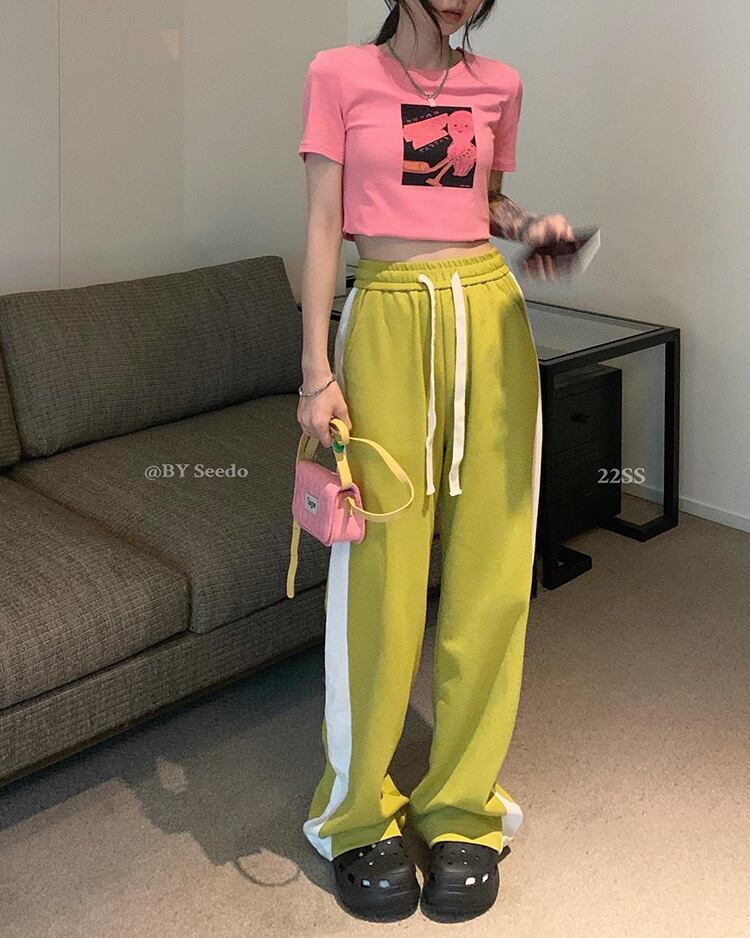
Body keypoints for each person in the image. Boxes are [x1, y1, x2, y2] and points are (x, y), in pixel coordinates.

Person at [296, 0, 574, 921]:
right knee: (378, 574)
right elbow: (324, 221)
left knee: (494, 571)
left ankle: (462, 807)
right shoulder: (339, 73)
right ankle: (356, 812)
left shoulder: (500, 85)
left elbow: (478, 199)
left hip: (490, 319)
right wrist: (315, 370)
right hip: (386, 318)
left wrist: (529, 227)